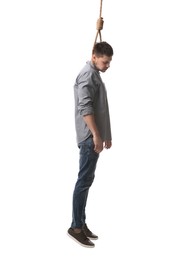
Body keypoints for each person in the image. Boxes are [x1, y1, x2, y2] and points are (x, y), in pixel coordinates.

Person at [67, 41, 114, 248]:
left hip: (93, 137)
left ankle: (81, 223)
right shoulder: (87, 75)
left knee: (86, 181)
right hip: (88, 138)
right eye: (105, 61)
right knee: (83, 181)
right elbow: (85, 108)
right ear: (94, 56)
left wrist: (106, 135)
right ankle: (76, 228)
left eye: (109, 62)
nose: (108, 65)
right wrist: (96, 135)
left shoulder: (95, 74)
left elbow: (100, 108)